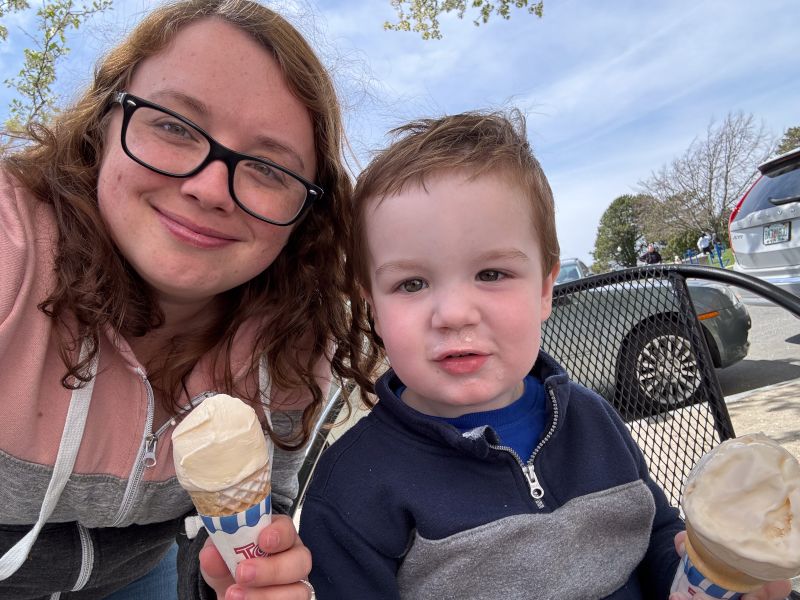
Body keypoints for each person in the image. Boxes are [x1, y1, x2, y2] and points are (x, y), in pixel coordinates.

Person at [298, 111, 792, 600]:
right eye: (411, 283)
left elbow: (654, 537)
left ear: (544, 290)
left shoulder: (592, 418)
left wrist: (705, 577)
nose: (452, 313)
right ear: (374, 308)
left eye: (491, 273)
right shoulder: (352, 487)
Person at [0, 1, 377, 598]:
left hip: (138, 571)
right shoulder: (10, 244)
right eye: (174, 126)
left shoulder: (294, 339)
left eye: (268, 168)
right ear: (104, 122)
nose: (209, 189)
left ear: (307, 212)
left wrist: (244, 578)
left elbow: (254, 518)